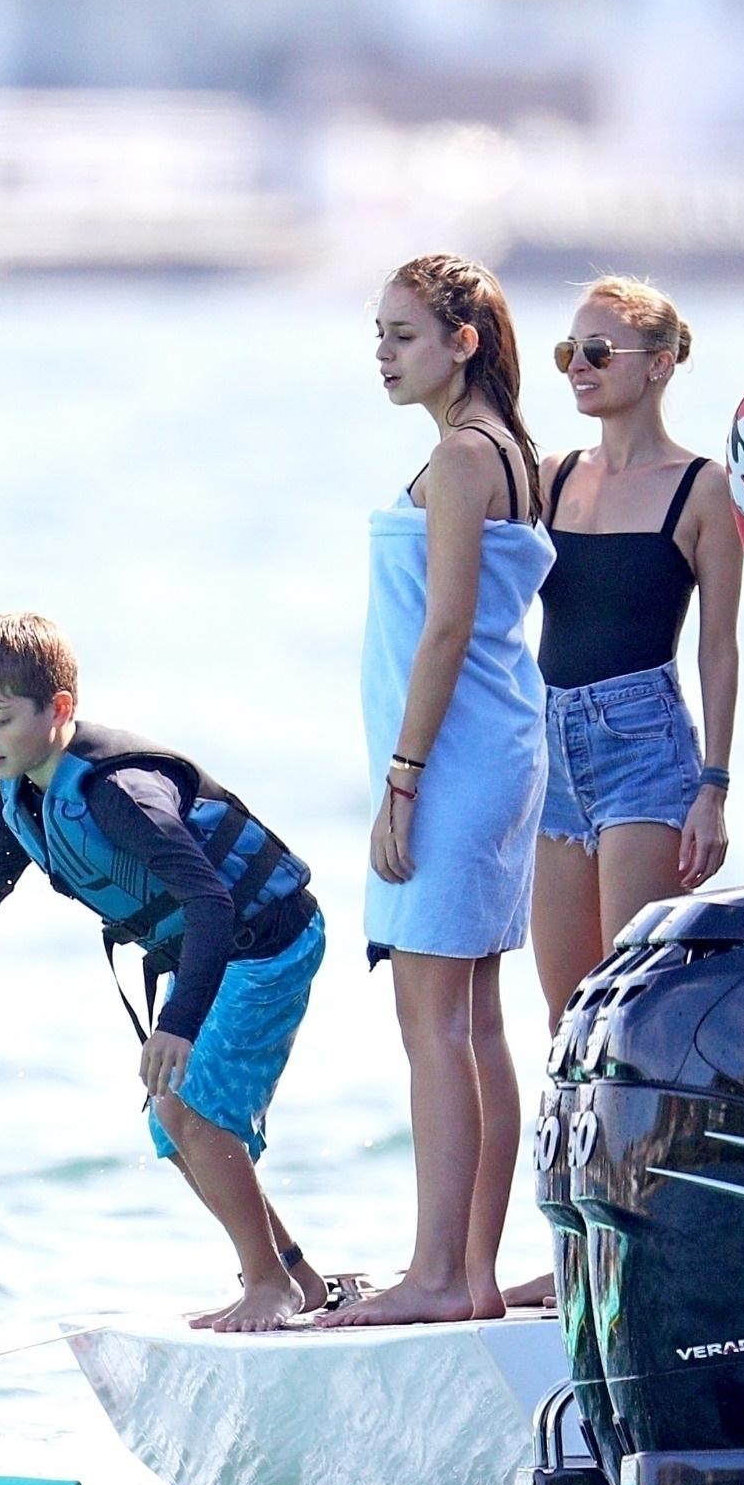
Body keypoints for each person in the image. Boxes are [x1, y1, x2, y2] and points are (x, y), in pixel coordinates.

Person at [0, 614, 340, 1333]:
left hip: (265, 940)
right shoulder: (30, 793)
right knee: (173, 1126)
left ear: (60, 710)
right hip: (210, 951)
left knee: (186, 1106)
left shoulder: (119, 793)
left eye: (1, 719)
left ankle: (268, 1285)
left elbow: (210, 900)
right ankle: (293, 1275)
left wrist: (177, 1025)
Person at [330, 253, 554, 1331]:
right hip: (498, 750)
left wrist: (401, 781)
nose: (383, 353)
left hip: (457, 760)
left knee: (435, 1023)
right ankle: (467, 1274)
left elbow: (448, 625)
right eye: (377, 333)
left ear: (463, 340)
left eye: (403, 334)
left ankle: (435, 1273)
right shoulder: (509, 450)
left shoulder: (467, 459)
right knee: (473, 1020)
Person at [530, 273, 743, 1020]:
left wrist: (713, 787)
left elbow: (719, 648)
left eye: (596, 350)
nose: (577, 368)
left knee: (633, 1008)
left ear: (657, 363)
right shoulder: (550, 477)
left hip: (645, 750)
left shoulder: (704, 488)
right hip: (548, 747)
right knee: (565, 1017)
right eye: (567, 352)